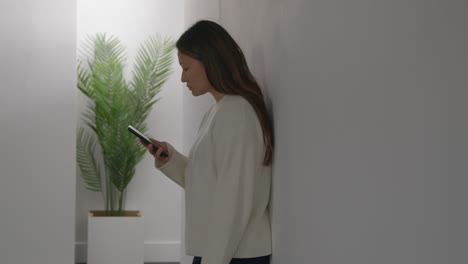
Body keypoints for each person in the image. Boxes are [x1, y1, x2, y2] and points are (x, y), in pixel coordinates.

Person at [140, 20, 274, 264]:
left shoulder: (237, 113)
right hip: (221, 250)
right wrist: (172, 159)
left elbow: (233, 199)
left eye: (186, 68)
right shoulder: (219, 111)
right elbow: (208, 183)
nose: (182, 78)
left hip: (234, 253)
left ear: (210, 63)